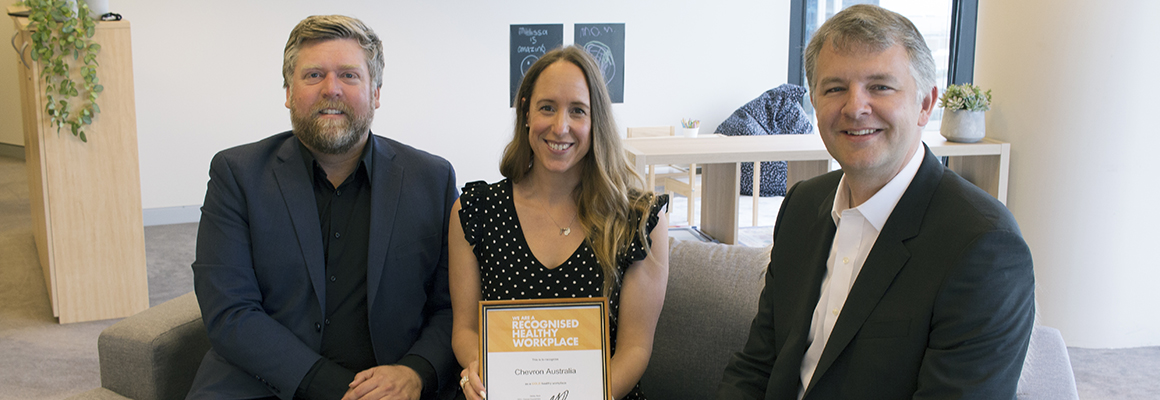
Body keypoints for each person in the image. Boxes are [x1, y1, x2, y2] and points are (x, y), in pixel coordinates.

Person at [716, 5, 1035, 400]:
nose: (855, 107)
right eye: (834, 88)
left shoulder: (985, 245)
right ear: (814, 103)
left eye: (880, 86)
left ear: (925, 104)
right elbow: (757, 365)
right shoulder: (802, 204)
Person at [187, 15, 458, 400]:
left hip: (393, 389)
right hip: (264, 384)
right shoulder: (237, 175)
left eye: (349, 75)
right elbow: (229, 312)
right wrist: (336, 389)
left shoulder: (433, 179)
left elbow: (452, 307)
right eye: (314, 75)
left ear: (376, 92)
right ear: (287, 92)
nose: (331, 89)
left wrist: (416, 372)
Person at [448, 46, 670, 400]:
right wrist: (477, 371)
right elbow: (465, 328)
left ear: (596, 120)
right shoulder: (474, 212)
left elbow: (635, 349)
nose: (560, 126)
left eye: (577, 111)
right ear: (525, 112)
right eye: (547, 107)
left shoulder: (639, 220)